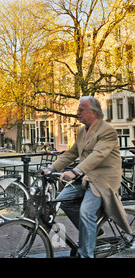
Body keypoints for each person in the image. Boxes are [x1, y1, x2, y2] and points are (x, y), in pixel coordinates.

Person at [44, 96, 132, 258]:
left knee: (86, 212)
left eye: (81, 110)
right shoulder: (81, 131)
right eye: (78, 109)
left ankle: (86, 254)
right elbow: (71, 153)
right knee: (62, 200)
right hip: (86, 176)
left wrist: (76, 171)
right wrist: (51, 167)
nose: (77, 112)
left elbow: (98, 155)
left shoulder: (107, 131)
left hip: (102, 179)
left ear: (93, 112)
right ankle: (93, 230)